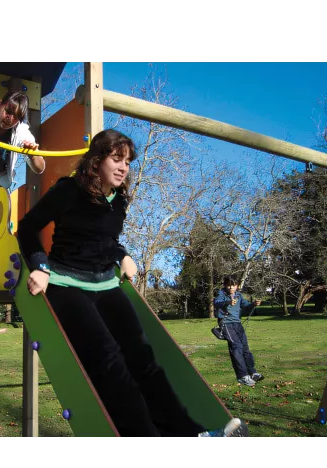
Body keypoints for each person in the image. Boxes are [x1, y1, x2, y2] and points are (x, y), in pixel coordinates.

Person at [17, 129, 242, 440]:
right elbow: (28, 228)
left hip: (105, 284)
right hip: (66, 284)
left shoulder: (119, 199)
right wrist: (40, 266)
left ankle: (191, 435)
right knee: (109, 358)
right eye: (116, 159)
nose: (123, 167)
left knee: (143, 357)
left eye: (127, 162)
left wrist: (122, 255)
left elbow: (107, 240)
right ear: (96, 162)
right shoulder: (69, 190)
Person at [214, 275, 264, 387]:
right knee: (236, 347)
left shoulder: (238, 295)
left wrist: (253, 304)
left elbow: (245, 305)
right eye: (228, 285)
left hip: (237, 323)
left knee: (245, 348)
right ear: (225, 285)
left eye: (233, 285)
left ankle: (252, 372)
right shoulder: (221, 294)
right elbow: (217, 303)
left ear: (237, 286)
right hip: (226, 323)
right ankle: (242, 376)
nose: (231, 287)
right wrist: (227, 302)